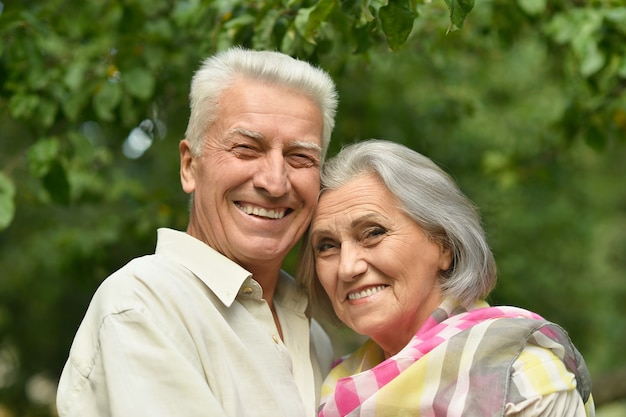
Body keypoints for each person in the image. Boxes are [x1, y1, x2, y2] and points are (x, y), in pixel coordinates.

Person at [56, 47, 338, 417]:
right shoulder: (144, 304)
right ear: (190, 166)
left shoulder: (314, 335)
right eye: (246, 149)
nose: (274, 181)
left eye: (300, 157)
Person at [298, 139, 595, 417]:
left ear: (444, 246)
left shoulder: (519, 375)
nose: (347, 267)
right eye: (327, 246)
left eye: (374, 233)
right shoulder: (331, 385)